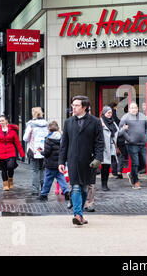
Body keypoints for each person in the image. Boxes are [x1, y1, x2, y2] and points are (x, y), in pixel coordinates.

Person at [58, 96, 104, 226]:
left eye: (77, 105)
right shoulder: (68, 122)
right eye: (73, 105)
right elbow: (64, 144)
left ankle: (80, 215)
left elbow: (100, 142)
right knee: (76, 187)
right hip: (72, 160)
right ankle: (77, 214)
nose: (74, 107)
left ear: (84, 107)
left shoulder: (95, 122)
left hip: (89, 160)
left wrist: (98, 158)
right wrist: (61, 161)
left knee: (84, 188)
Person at [118, 102, 147, 190]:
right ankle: (135, 182)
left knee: (144, 163)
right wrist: (128, 138)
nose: (134, 109)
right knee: (135, 163)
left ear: (137, 109)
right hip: (131, 144)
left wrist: (146, 137)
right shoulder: (125, 117)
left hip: (142, 144)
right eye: (132, 108)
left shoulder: (143, 117)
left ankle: (132, 174)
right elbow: (120, 131)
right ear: (129, 109)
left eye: (135, 108)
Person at [38, 121, 70, 202]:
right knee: (61, 178)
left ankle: (44, 194)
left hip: (50, 164)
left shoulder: (48, 139)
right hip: (59, 163)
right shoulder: (61, 137)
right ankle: (66, 192)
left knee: (48, 180)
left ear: (49, 129)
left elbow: (47, 153)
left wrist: (41, 152)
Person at [0, 115, 25, 191]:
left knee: (10, 167)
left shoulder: (12, 131)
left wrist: (22, 153)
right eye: (0, 121)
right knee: (3, 169)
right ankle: (5, 184)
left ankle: (10, 178)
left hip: (11, 152)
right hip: (1, 152)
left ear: (6, 121)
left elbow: (17, 143)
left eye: (3, 120)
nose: (1, 122)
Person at [23, 107, 49, 196]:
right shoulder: (46, 124)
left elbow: (25, 138)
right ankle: (44, 188)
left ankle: (35, 190)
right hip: (44, 150)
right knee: (43, 169)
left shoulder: (31, 124)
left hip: (34, 149)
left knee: (35, 170)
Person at [100, 106, 120, 191]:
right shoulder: (100, 122)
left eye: (111, 113)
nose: (109, 114)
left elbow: (117, 131)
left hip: (111, 147)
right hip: (103, 147)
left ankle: (105, 184)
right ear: (104, 113)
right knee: (104, 166)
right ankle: (103, 184)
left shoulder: (113, 122)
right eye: (108, 113)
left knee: (107, 166)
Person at [109, 101, 127, 179]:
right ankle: (119, 171)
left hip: (112, 137)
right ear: (115, 107)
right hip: (120, 137)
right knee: (120, 155)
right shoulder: (121, 115)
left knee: (113, 155)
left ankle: (114, 171)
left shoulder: (109, 116)